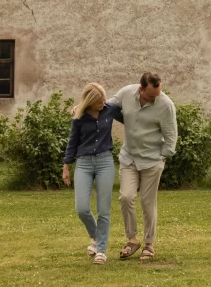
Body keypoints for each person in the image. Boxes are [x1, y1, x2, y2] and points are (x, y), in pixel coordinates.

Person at [109, 72, 177, 261]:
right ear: (141, 89)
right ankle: (132, 239)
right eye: (151, 95)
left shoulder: (166, 105)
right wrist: (83, 107)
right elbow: (107, 105)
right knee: (126, 197)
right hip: (129, 157)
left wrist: (162, 156)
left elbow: (171, 136)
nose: (155, 98)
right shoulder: (126, 94)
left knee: (148, 203)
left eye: (158, 94)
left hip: (152, 160)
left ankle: (149, 244)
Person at [63, 83, 124, 265]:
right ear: (89, 102)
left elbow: (131, 118)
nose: (103, 103)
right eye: (99, 101)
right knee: (81, 208)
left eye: (104, 99)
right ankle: (97, 237)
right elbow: (72, 142)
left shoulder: (110, 109)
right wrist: (66, 166)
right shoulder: (79, 116)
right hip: (83, 163)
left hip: (105, 161)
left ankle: (101, 251)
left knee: (103, 210)